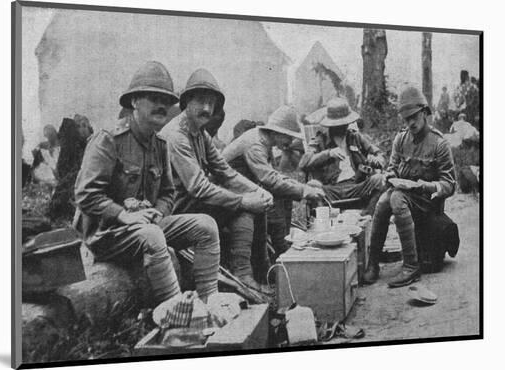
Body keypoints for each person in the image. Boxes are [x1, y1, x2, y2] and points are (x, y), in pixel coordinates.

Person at [74, 61, 222, 308]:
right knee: (153, 235)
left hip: (144, 228)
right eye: (153, 98)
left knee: (206, 225)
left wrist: (159, 212)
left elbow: (168, 193)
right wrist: (123, 215)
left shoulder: (160, 144)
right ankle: (176, 312)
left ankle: (211, 301)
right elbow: (85, 195)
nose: (162, 105)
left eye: (166, 100)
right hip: (106, 235)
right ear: (134, 102)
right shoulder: (109, 140)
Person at [160, 68, 274, 294]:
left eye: (211, 104)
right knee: (245, 207)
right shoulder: (176, 135)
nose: (207, 109)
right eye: (201, 102)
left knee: (256, 201)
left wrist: (258, 191)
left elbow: (225, 171)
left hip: (193, 203)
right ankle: (243, 275)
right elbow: (198, 187)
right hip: (175, 209)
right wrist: (243, 201)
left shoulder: (200, 134)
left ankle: (263, 272)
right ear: (187, 102)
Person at [363, 86, 456, 287]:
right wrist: (390, 176)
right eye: (406, 119)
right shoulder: (400, 139)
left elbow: (449, 185)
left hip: (427, 203)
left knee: (396, 198)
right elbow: (392, 168)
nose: (410, 122)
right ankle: (373, 264)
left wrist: (426, 186)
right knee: (383, 202)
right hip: (404, 196)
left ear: (424, 112)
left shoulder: (439, 144)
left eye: (414, 116)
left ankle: (411, 267)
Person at [222, 106, 325, 256]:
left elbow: (274, 175)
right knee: (275, 198)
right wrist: (304, 191)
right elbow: (270, 180)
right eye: (288, 137)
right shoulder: (256, 145)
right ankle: (281, 250)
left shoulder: (265, 140)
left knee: (283, 196)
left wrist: (303, 187)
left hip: (244, 188)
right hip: (228, 192)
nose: (290, 142)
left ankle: (281, 246)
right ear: (277, 132)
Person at [298, 97, 386, 215]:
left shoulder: (355, 137)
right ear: (330, 124)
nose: (342, 127)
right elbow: (304, 163)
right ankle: (324, 223)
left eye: (345, 123)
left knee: (379, 179)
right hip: (331, 189)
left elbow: (380, 155)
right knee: (313, 186)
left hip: (355, 186)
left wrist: (376, 160)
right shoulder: (320, 140)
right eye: (338, 125)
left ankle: (366, 216)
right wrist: (328, 154)